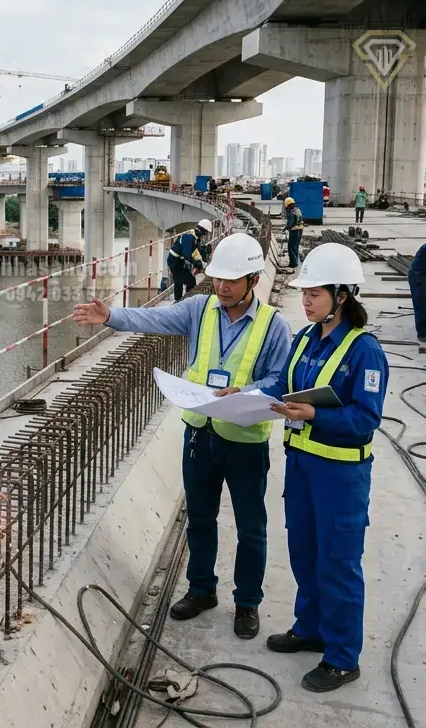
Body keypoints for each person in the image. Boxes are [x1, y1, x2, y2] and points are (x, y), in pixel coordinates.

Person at [71, 234, 291, 639]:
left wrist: (243, 393)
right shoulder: (199, 308)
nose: (222, 287)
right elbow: (156, 320)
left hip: (244, 442)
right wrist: (111, 317)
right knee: (201, 518)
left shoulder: (274, 325)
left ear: (255, 280)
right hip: (200, 436)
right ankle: (201, 589)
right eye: (218, 279)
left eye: (232, 280)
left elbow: (281, 379)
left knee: (250, 526)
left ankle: (248, 603)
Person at [219, 243, 389, 693]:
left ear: (342, 296)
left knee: (338, 562)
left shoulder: (364, 352)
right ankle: (309, 628)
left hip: (341, 478)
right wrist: (247, 392)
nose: (306, 300)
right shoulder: (306, 338)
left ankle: (341, 657)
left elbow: (365, 420)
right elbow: (282, 382)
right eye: (305, 292)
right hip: (302, 468)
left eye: (314, 293)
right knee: (305, 554)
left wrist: (315, 415)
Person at [166, 218, 212, 302]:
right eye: (205, 233)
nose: (204, 236)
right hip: (174, 260)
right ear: (202, 231)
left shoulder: (194, 237)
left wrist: (204, 250)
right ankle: (177, 301)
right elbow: (186, 254)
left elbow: (196, 250)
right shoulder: (189, 237)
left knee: (191, 281)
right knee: (178, 281)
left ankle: (188, 300)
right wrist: (196, 263)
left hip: (181, 261)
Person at [284, 197, 304, 271]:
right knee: (296, 246)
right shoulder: (298, 210)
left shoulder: (292, 212)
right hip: (300, 230)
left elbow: (291, 222)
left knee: (291, 247)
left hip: (294, 231)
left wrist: (286, 227)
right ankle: (295, 262)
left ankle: (293, 263)